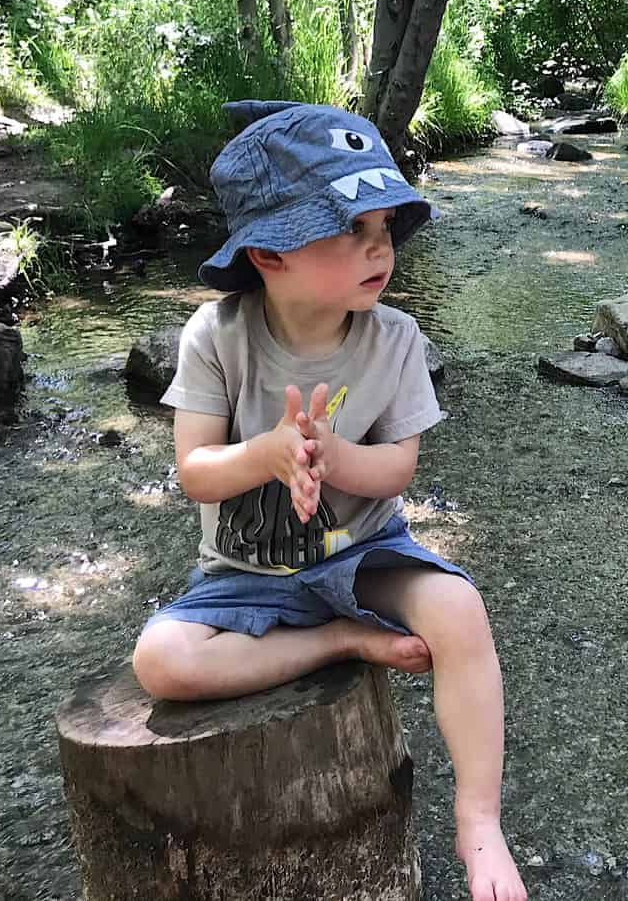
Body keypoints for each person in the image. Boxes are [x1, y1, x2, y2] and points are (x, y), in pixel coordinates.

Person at [132, 100, 526, 901]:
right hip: (242, 571)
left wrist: (336, 456)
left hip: (364, 554)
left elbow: (396, 472)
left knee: (458, 611)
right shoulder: (217, 335)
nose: (378, 245)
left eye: (384, 224)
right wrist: (268, 453)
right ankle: (339, 643)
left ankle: (480, 821)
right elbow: (197, 474)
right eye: (349, 227)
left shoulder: (395, 339)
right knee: (160, 663)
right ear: (269, 254)